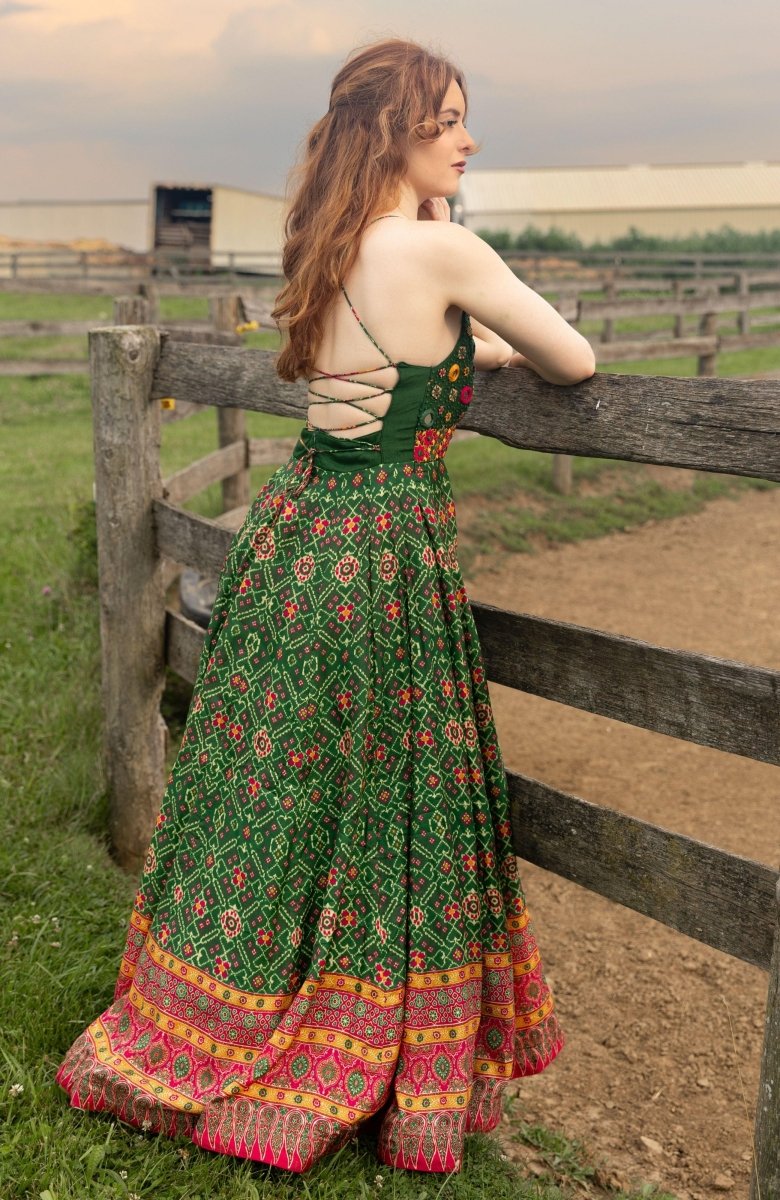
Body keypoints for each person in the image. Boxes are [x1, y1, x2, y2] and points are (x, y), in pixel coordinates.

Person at [57, 38, 595, 1176]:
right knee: (385, 798)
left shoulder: (333, 242)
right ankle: (352, 1029)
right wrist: (488, 339)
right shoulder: (445, 249)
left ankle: (209, 998)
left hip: (297, 535)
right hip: (386, 548)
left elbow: (383, 363)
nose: (468, 138)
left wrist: (468, 346)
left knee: (278, 784)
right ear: (396, 129)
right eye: (449, 120)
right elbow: (577, 358)